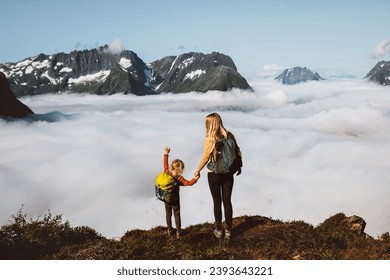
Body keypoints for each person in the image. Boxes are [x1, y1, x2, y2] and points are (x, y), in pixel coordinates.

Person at [194, 113, 242, 240]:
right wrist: (238, 167)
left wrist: (197, 170)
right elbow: (237, 153)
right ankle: (229, 231)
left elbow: (205, 157)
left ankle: (219, 230)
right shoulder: (229, 135)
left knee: (217, 202)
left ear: (210, 124)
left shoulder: (210, 139)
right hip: (228, 174)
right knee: (227, 201)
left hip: (214, 174)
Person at [163, 146, 200, 238]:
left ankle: (169, 230)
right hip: (175, 199)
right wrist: (195, 179)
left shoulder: (167, 172)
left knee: (168, 214)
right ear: (181, 169)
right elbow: (188, 183)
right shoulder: (179, 178)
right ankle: (179, 232)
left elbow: (165, 163)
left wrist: (166, 153)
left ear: (171, 166)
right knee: (177, 214)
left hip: (166, 198)